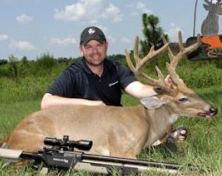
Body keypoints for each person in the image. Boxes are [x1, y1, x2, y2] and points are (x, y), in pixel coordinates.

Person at [41, 26, 187, 143]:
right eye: (89, 46)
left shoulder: (116, 69)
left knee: (152, 110)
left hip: (116, 125)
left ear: (106, 46)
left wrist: (161, 88)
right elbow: (46, 103)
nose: (95, 51)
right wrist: (92, 105)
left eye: (99, 45)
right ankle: (162, 137)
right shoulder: (72, 74)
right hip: (86, 128)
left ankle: (164, 135)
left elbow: (138, 90)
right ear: (82, 49)